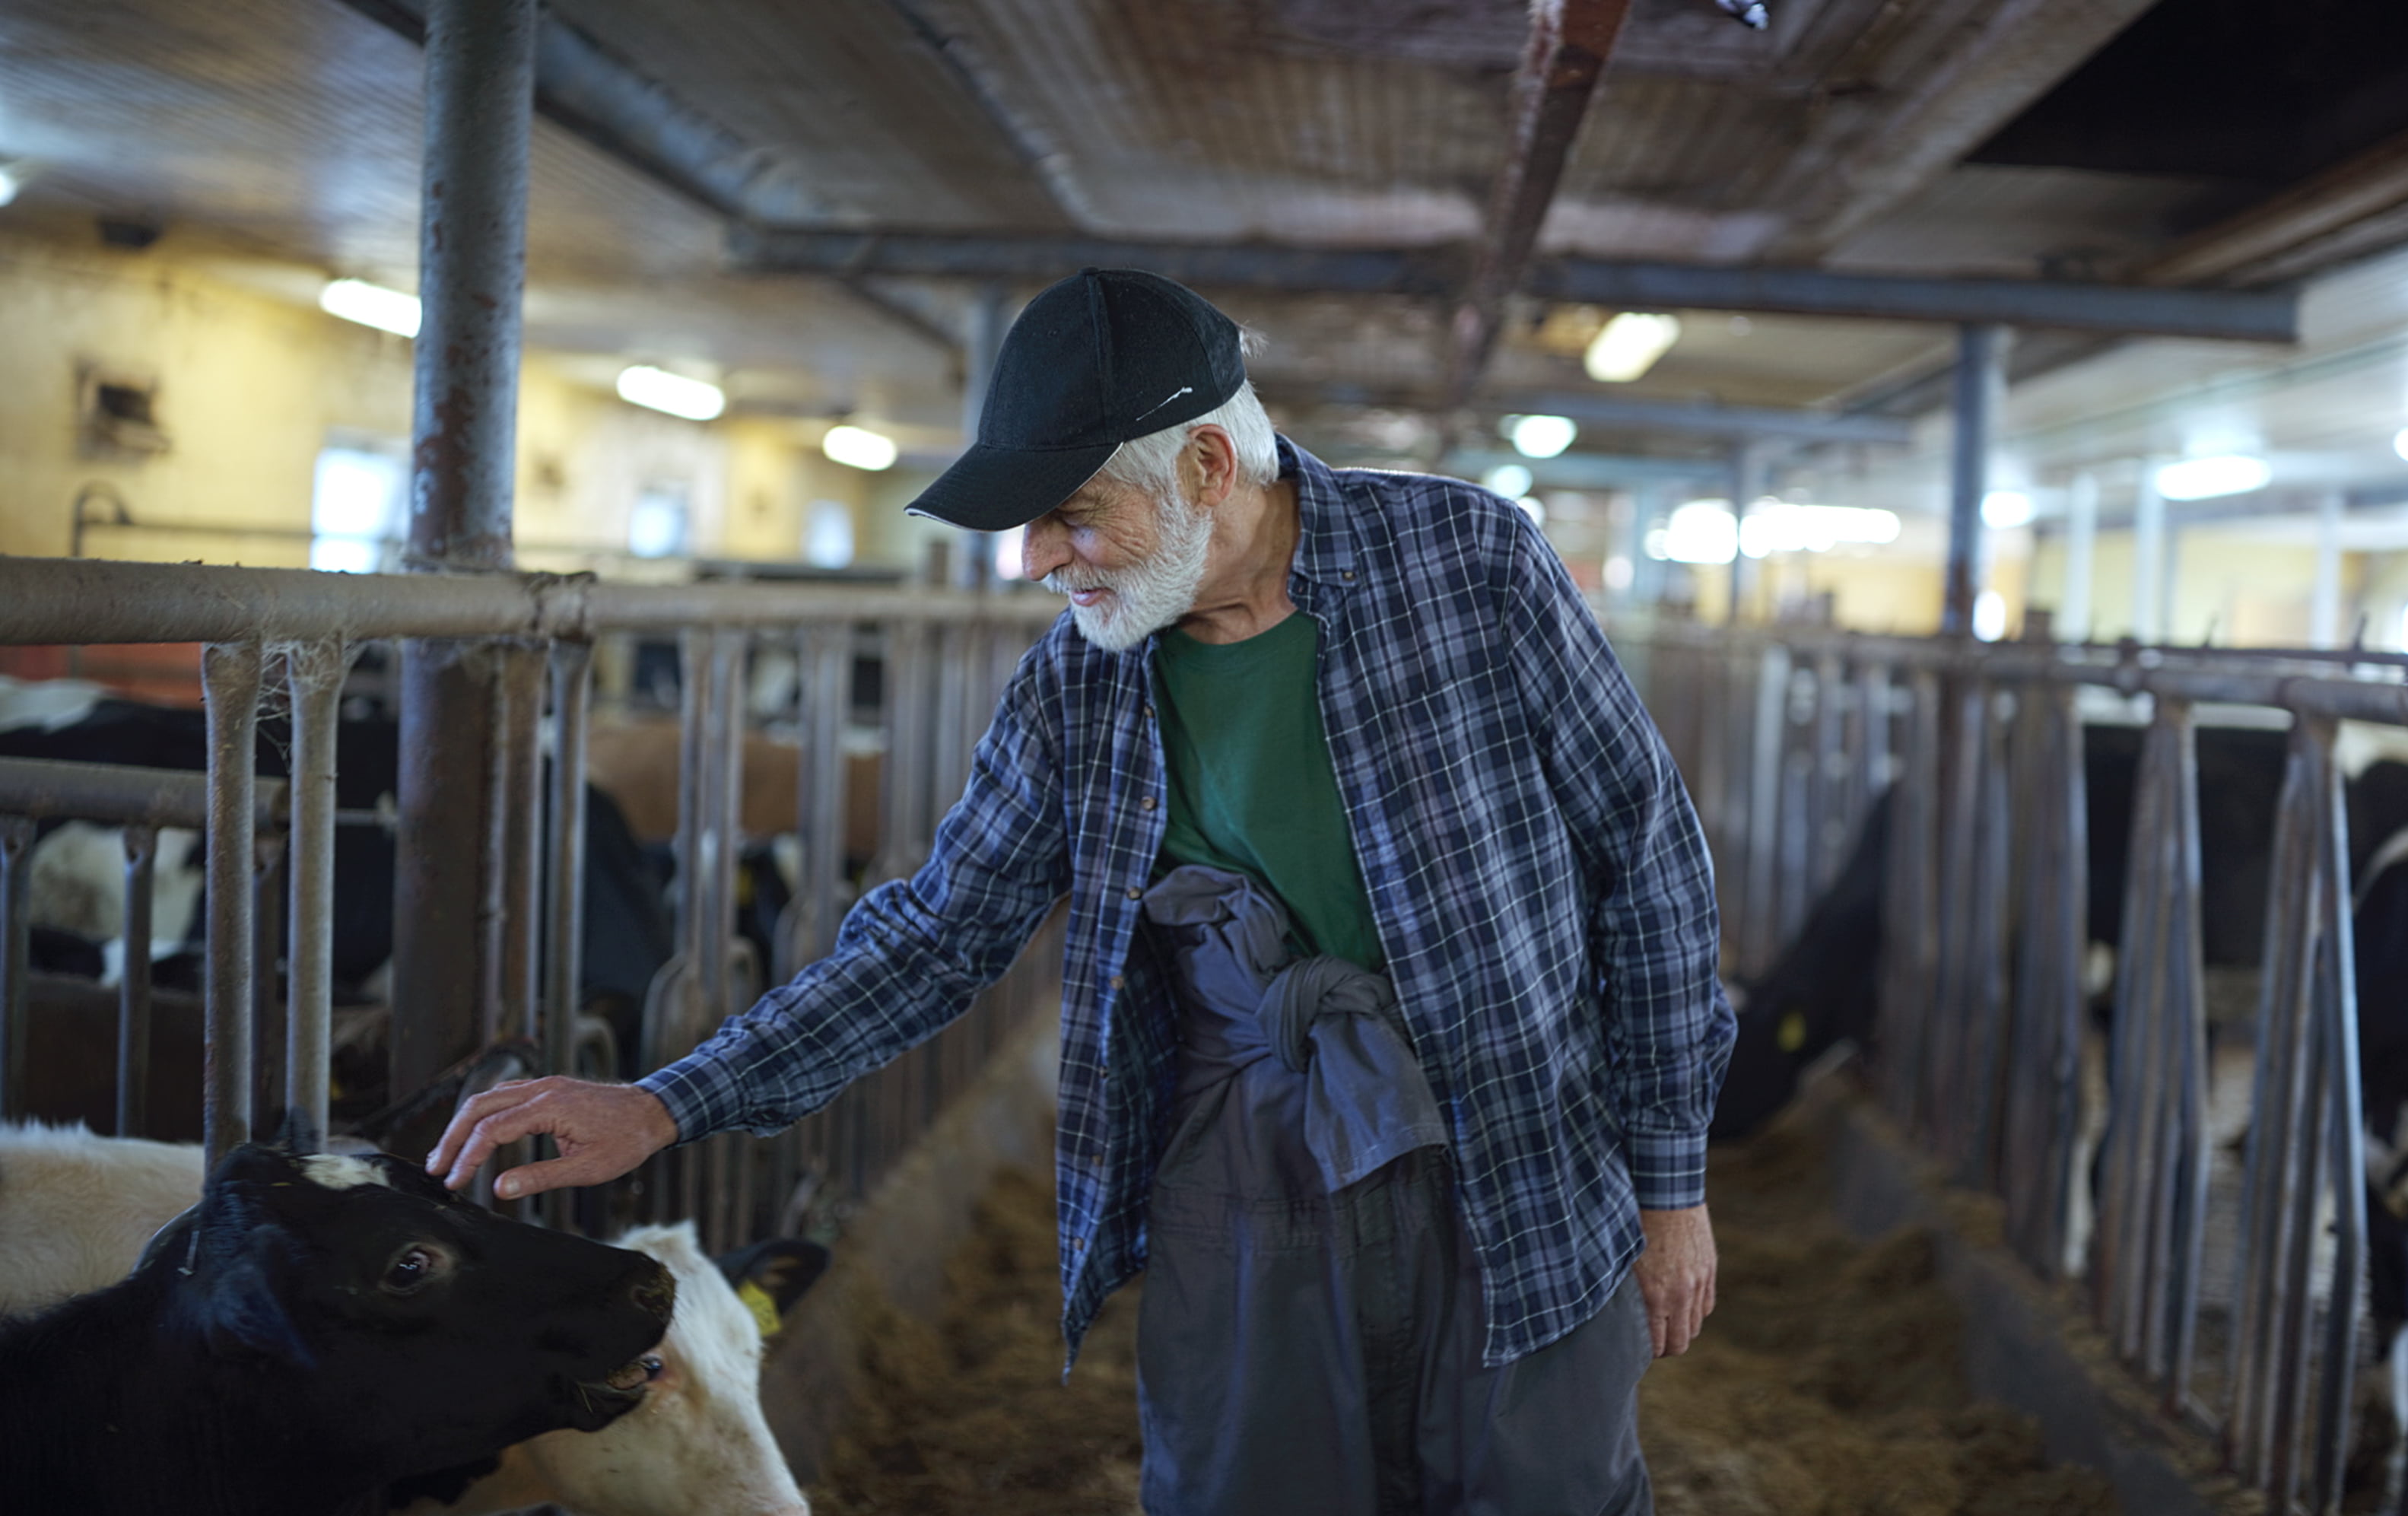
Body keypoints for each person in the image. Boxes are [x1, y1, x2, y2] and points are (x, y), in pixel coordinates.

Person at [430, 267, 1733, 1514]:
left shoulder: (1471, 566)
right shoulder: (1080, 684)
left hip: (1514, 1139)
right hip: (1249, 1166)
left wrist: (1671, 1185)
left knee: (1542, 1488)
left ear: (1207, 468)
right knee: (1249, 1489)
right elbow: (936, 937)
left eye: (1072, 513)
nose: (1038, 560)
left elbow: (1649, 857)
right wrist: (671, 1101)